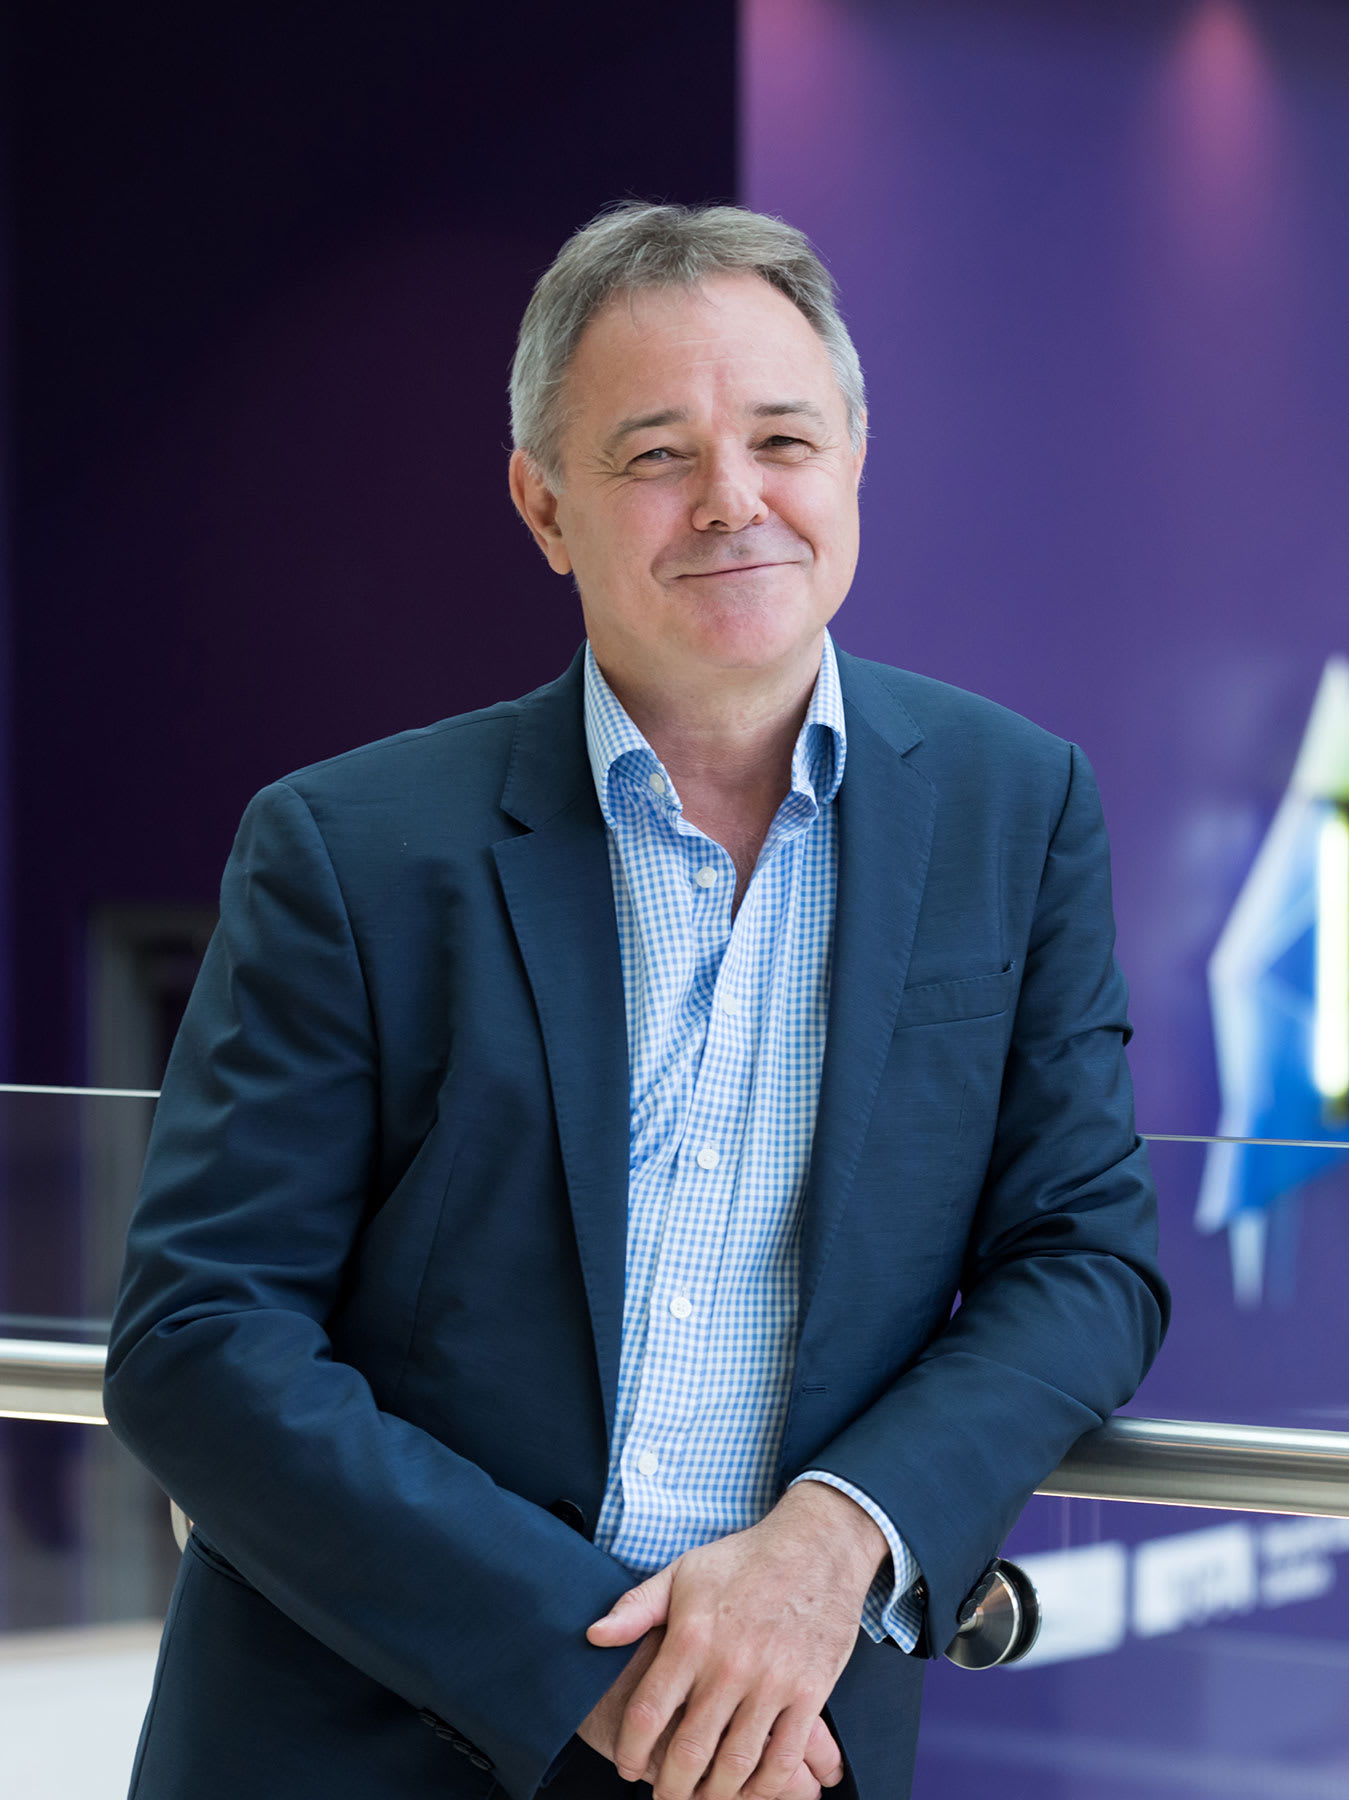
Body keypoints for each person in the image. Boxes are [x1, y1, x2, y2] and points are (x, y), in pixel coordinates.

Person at [104, 203, 1168, 1800]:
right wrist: (576, 1655)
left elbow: (1083, 1259)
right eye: (655, 454)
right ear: (545, 505)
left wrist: (832, 1547)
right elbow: (200, 1336)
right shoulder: (351, 847)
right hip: (369, 1732)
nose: (733, 501)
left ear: (855, 457)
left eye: (783, 438)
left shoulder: (1017, 811)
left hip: (788, 1742)